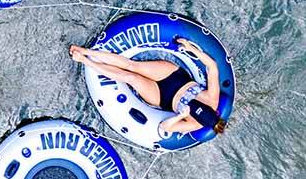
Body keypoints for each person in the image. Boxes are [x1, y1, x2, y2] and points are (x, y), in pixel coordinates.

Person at [70, 38, 227, 136]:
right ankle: (85, 51)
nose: (196, 104)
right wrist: (191, 48)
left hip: (162, 97)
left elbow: (165, 127)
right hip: (175, 77)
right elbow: (212, 67)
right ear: (212, 109)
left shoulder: (194, 124)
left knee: (129, 77)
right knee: (132, 66)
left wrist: (180, 116)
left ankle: (85, 60)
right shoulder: (212, 98)